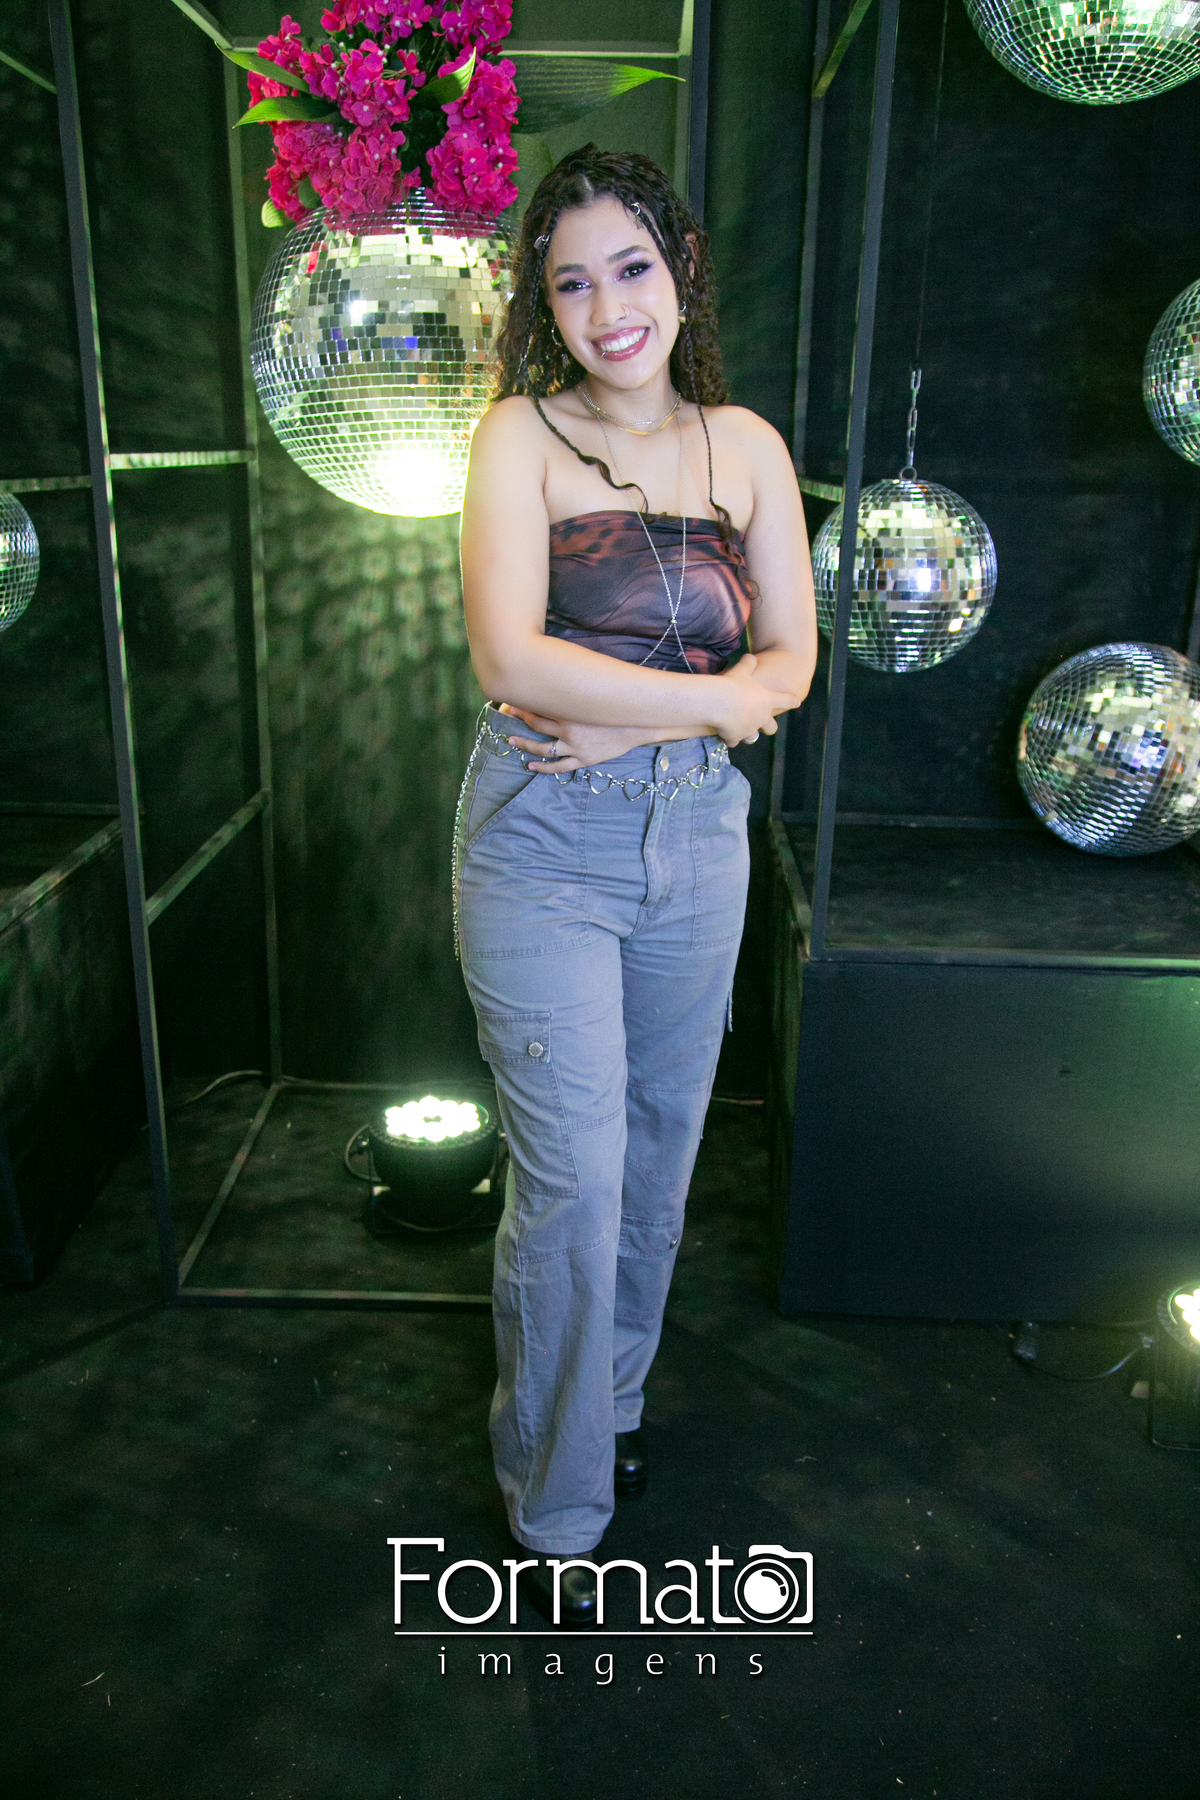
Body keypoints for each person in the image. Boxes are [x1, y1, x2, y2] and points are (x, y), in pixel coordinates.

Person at [456, 144, 817, 1627]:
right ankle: (555, 1509)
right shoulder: (517, 439)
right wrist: (712, 703)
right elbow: (510, 659)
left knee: (659, 1159)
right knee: (574, 1178)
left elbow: (795, 662)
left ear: (680, 270)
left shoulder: (749, 447)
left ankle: (605, 1401)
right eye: (572, 282)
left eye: (632, 268)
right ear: (544, 306)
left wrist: (649, 716)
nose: (609, 308)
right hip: (545, 840)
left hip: (697, 845)